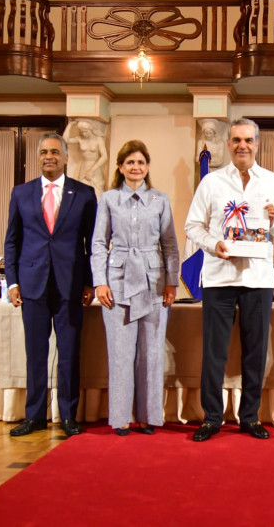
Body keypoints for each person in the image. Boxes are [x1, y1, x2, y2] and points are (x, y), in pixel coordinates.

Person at [184, 118, 274, 442]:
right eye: (236, 140)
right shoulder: (212, 183)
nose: (242, 145)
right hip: (219, 275)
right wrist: (211, 245)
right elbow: (193, 226)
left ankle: (249, 417)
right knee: (214, 352)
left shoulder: (273, 182)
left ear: (257, 144)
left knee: (255, 351)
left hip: (258, 278)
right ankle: (212, 418)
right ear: (228, 144)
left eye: (248, 140)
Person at [4, 133, 97, 437]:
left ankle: (68, 416)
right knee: (35, 354)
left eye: (55, 152)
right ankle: (34, 417)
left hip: (70, 286)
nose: (49, 156)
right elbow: (13, 241)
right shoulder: (21, 193)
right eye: (44, 152)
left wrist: (89, 282)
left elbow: (91, 244)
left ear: (66, 157)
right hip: (32, 285)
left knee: (69, 354)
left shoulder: (84, 194)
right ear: (38, 156)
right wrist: (13, 281)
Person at [91, 140, 180, 436]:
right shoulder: (108, 199)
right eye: (130, 162)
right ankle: (120, 418)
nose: (136, 167)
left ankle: (149, 416)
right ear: (120, 167)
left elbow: (170, 245)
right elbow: (99, 243)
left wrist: (171, 282)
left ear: (148, 167)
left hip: (154, 283)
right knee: (120, 352)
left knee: (151, 353)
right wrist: (99, 281)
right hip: (116, 283)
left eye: (141, 162)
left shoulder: (160, 199)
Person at [63, 119, 109, 198]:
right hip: (83, 168)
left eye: (86, 131)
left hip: (95, 169)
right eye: (82, 131)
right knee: (82, 193)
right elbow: (64, 140)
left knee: (97, 194)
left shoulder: (98, 139)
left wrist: (92, 170)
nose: (84, 134)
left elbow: (104, 156)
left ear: (91, 129)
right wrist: (70, 125)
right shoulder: (80, 139)